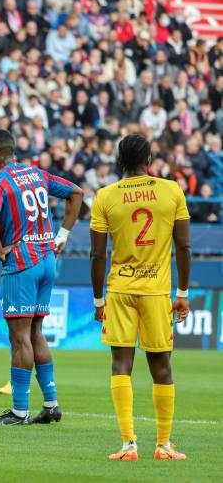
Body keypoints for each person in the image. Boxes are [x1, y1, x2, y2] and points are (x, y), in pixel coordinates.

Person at [89, 134, 191, 461]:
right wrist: (183, 293)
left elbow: (96, 255)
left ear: (120, 159)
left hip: (120, 289)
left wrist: (97, 300)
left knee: (121, 365)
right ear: (149, 159)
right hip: (157, 291)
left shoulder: (105, 196)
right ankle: (163, 444)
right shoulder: (171, 191)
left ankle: (128, 444)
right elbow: (184, 247)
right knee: (162, 366)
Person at [0, 129, 84, 425]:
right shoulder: (36, 174)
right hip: (46, 259)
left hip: (21, 263)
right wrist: (62, 234)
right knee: (36, 332)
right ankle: (51, 405)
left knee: (19, 338)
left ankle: (19, 411)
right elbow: (76, 192)